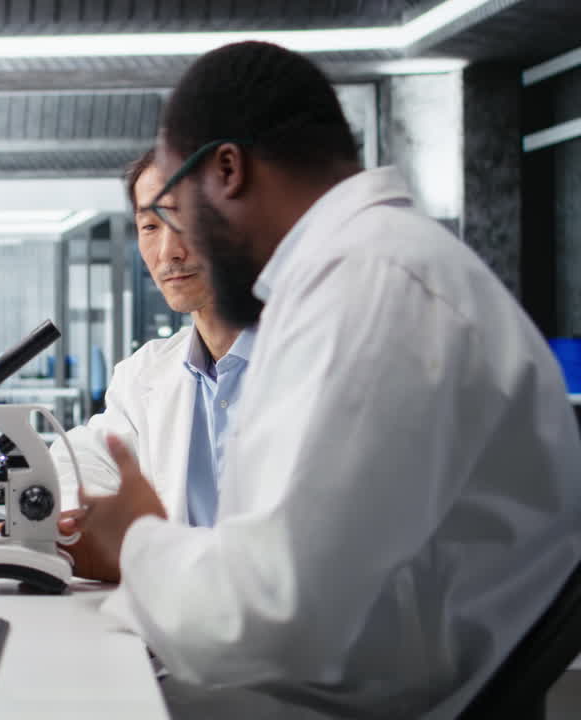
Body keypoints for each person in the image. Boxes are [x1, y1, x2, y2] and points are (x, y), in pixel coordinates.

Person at [72, 41, 581, 718]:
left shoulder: (374, 287)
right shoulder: (355, 277)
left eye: (179, 204)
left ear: (227, 169)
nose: (174, 242)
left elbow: (273, 617)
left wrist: (138, 542)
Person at [50, 149, 258, 583]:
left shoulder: (313, 364)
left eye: (187, 223)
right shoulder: (145, 373)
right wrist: (82, 519)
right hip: (179, 629)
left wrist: (144, 551)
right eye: (149, 226)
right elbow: (79, 458)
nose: (168, 252)